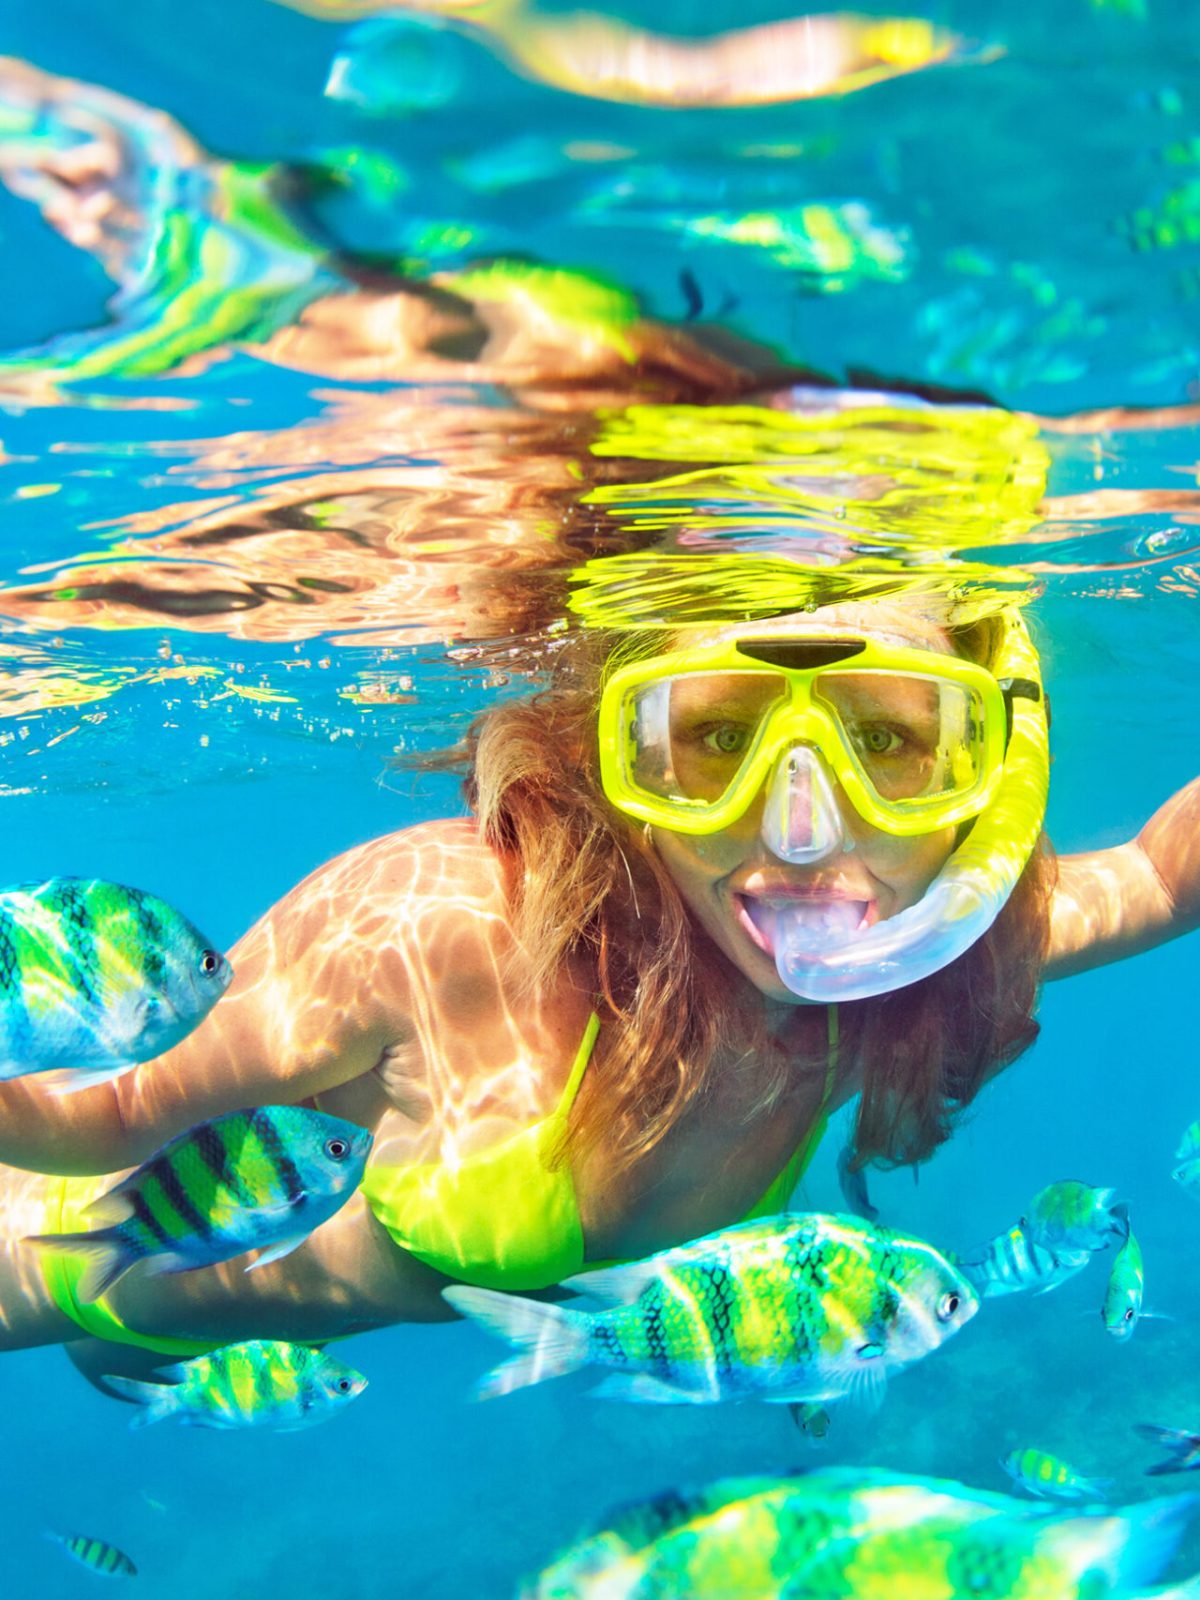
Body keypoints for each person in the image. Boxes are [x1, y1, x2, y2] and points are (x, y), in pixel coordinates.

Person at [0, 576, 1197, 1389]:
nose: (799, 831)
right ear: (617, 756)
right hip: (52, 1259)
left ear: (991, 773)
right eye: (717, 739)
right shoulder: (457, 930)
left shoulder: (922, 962)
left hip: (207, 1356)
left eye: (886, 740)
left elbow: (1156, 876)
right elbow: (93, 1115)